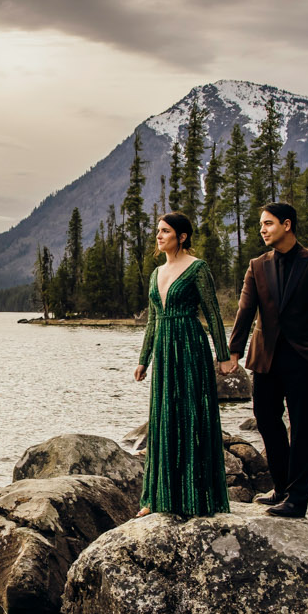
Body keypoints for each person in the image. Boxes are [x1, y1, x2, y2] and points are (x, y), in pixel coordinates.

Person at [228, 202, 308, 518]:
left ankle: (298, 499)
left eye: (268, 223)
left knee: (303, 427)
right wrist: (233, 351)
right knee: (266, 418)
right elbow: (245, 311)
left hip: (303, 357)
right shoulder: (257, 265)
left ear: (287, 225)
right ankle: (281, 487)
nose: (262, 229)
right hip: (265, 357)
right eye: (261, 224)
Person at [133, 212, 238, 517]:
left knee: (192, 418)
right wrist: (144, 359)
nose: (159, 236)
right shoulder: (156, 274)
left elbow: (214, 313)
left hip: (190, 346)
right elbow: (153, 320)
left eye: (165, 231)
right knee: (163, 418)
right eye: (158, 231)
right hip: (164, 350)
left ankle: (196, 496)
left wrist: (223, 356)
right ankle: (156, 497)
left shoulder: (197, 269)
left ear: (182, 237)